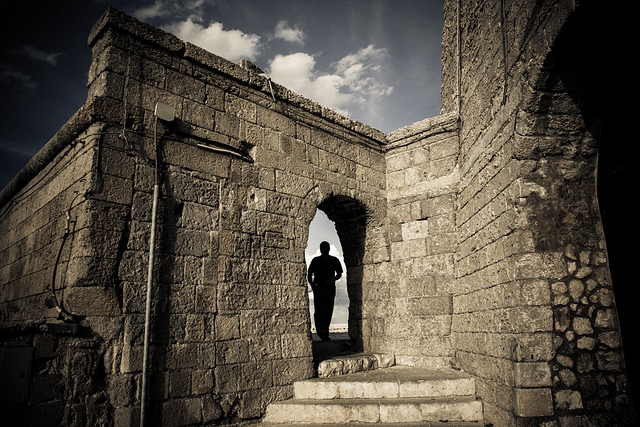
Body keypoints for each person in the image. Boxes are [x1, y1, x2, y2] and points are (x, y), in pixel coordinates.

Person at [307, 241, 343, 341]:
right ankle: (321, 331)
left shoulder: (334, 260)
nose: (324, 249)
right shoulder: (316, 260)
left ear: (328, 249)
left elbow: (339, 273)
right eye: (322, 247)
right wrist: (312, 285)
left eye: (325, 247)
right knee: (319, 310)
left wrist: (333, 279)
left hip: (330, 289)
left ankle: (325, 331)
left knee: (328, 310)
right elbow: (309, 274)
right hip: (318, 289)